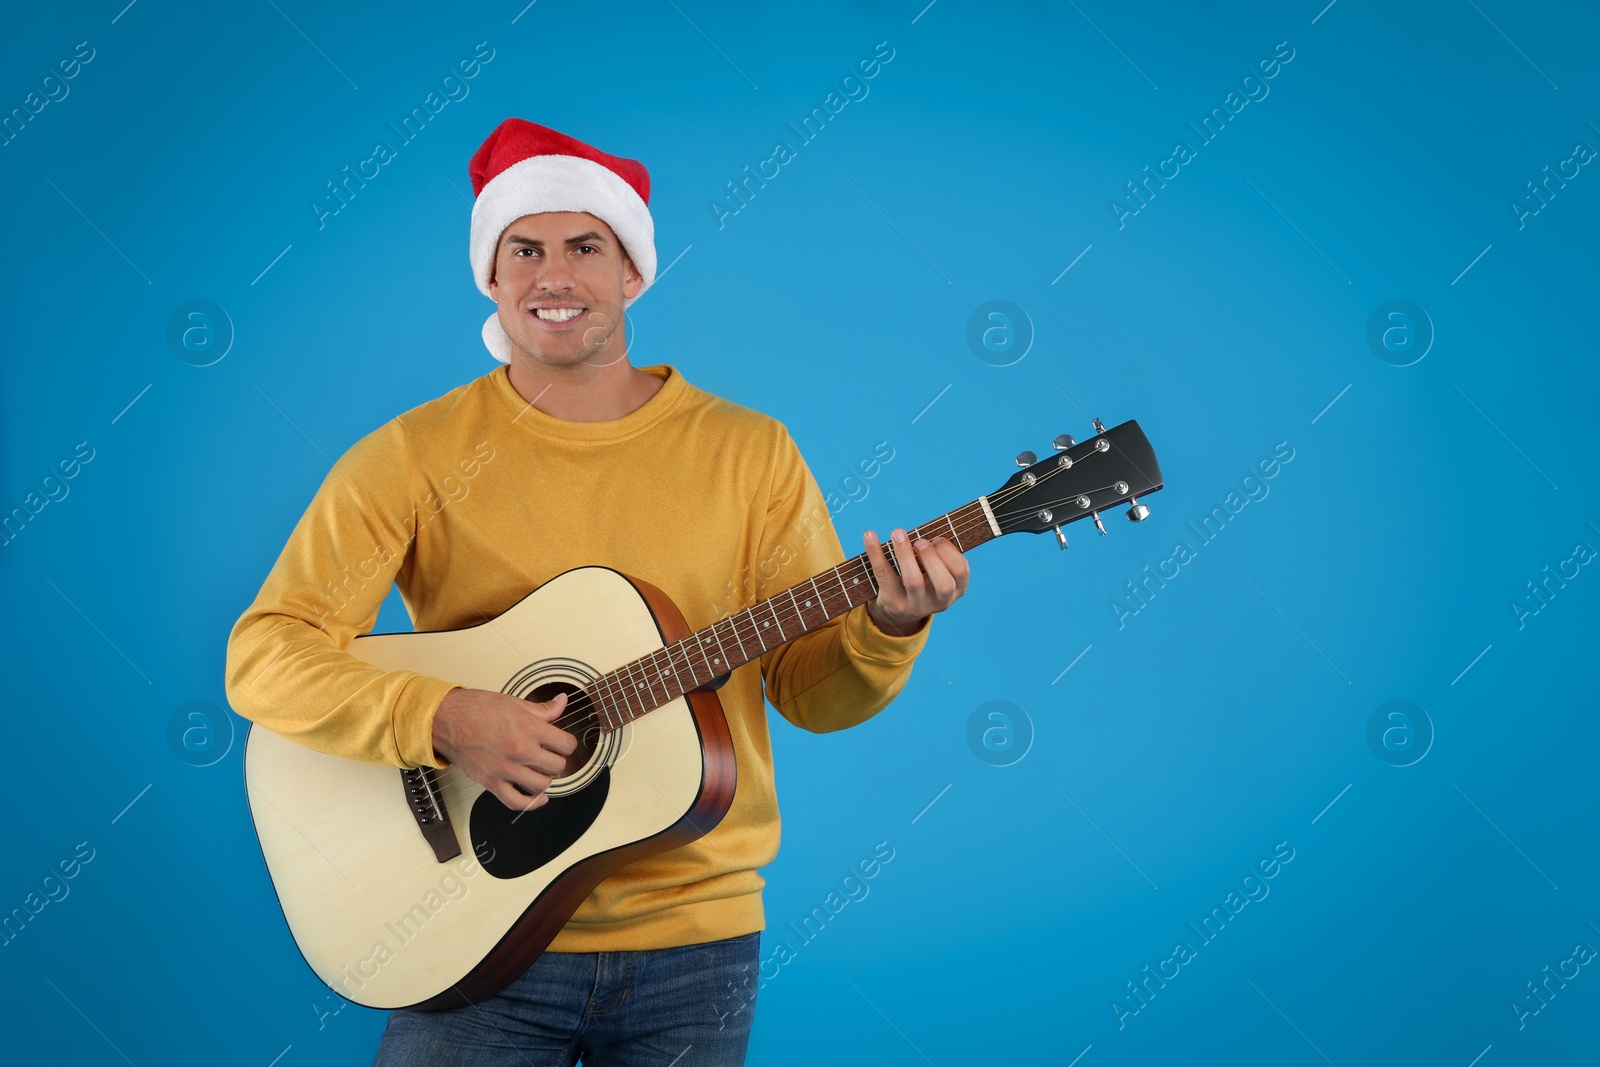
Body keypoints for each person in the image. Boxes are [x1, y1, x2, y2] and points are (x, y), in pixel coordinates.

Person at [224, 118, 969, 1066]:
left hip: (696, 941)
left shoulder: (750, 453)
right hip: (464, 925)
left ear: (633, 272)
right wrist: (444, 717)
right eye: (523, 249)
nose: (554, 276)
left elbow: (811, 696)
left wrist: (890, 626)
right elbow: (266, 653)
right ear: (490, 277)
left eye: (586, 247)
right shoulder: (410, 457)